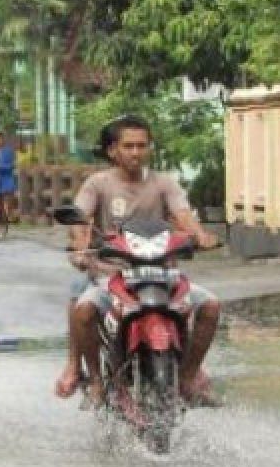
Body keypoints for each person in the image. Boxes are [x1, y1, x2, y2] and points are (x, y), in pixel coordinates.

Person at [54, 114, 221, 408]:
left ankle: (189, 375)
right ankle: (94, 380)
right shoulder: (98, 184)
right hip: (112, 275)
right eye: (128, 146)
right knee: (82, 309)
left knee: (210, 305)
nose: (135, 152)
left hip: (162, 274)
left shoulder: (164, 183)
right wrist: (81, 245)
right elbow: (80, 220)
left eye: (142, 146)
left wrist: (200, 235)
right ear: (113, 151)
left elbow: (183, 214)